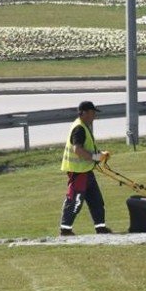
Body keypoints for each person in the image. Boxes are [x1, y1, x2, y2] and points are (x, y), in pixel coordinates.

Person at [59, 100, 112, 236]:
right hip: (78, 173)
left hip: (86, 171)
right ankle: (65, 229)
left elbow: (87, 148)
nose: (95, 116)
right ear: (85, 113)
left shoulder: (84, 126)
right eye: (93, 113)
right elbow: (78, 150)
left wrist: (100, 155)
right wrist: (96, 158)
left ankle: (100, 228)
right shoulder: (79, 128)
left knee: (96, 201)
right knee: (75, 201)